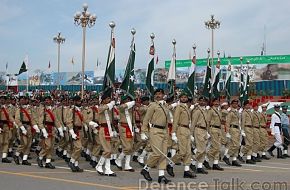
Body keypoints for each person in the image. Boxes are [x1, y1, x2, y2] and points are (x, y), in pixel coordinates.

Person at [140, 88, 170, 184]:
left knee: (163, 153)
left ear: (163, 95)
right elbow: (146, 119)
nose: (158, 95)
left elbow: (167, 120)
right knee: (157, 153)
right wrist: (143, 132)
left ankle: (161, 175)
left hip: (164, 131)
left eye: (160, 94)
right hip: (155, 130)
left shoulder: (165, 105)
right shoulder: (152, 105)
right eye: (156, 94)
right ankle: (146, 169)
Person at [166, 92, 196, 178]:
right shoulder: (179, 107)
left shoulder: (187, 107)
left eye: (185, 97)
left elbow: (189, 121)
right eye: (182, 97)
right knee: (182, 151)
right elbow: (175, 120)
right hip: (181, 129)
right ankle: (170, 165)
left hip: (187, 130)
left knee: (188, 152)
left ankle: (186, 171)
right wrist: (173, 133)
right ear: (179, 98)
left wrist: (190, 133)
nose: (184, 98)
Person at [37, 96, 63, 169]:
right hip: (46, 128)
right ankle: (40, 157)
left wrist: (59, 129)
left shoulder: (53, 109)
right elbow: (40, 121)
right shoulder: (42, 109)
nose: (47, 101)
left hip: (52, 129)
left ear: (51, 101)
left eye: (48, 100)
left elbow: (56, 120)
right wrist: (43, 131)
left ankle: (48, 162)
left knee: (51, 147)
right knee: (47, 146)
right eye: (45, 100)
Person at [95, 91, 117, 177]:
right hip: (103, 129)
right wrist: (111, 104)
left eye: (109, 99)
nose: (109, 100)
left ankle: (108, 169)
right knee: (107, 150)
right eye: (107, 99)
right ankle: (99, 165)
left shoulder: (109, 108)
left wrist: (114, 130)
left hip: (109, 129)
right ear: (103, 100)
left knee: (109, 150)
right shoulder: (100, 107)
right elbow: (103, 109)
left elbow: (113, 119)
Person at [14, 96, 39, 165]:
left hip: (29, 127)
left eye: (23, 100)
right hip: (22, 127)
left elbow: (32, 119)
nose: (22, 101)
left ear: (26, 101)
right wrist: (22, 128)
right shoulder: (19, 109)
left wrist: (35, 127)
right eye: (21, 100)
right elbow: (17, 120)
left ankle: (24, 159)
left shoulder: (29, 109)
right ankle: (16, 154)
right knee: (24, 143)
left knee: (28, 144)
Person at [115, 95, 136, 172]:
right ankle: (118, 159)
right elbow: (122, 107)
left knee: (130, 147)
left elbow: (132, 119)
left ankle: (127, 165)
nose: (128, 101)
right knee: (127, 147)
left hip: (130, 128)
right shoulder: (121, 107)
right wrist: (131, 102)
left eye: (129, 100)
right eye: (126, 100)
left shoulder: (131, 109)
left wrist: (136, 127)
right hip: (123, 127)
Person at [191, 96, 210, 174]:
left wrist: (207, 132)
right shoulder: (197, 111)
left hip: (204, 130)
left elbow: (207, 122)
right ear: (198, 101)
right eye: (201, 100)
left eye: (204, 101)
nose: (202, 102)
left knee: (204, 150)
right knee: (200, 149)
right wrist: (191, 134)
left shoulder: (206, 110)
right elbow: (193, 123)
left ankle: (199, 166)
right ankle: (191, 162)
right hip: (198, 129)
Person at [223, 99, 242, 167]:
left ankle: (234, 159)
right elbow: (227, 122)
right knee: (235, 145)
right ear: (231, 104)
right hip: (232, 129)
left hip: (237, 129)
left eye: (236, 104)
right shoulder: (230, 112)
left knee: (237, 145)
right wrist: (227, 132)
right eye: (234, 104)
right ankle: (227, 156)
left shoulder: (237, 112)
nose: (236, 105)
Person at [206, 97, 224, 170]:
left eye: (218, 102)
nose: (217, 103)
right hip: (213, 129)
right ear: (212, 102)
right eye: (215, 102)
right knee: (216, 147)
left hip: (219, 129)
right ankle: (206, 158)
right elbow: (208, 121)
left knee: (218, 147)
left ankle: (215, 163)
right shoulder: (211, 110)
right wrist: (207, 131)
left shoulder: (219, 111)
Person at [0, 95, 15, 163]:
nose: (2, 101)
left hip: (6, 125)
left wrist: (14, 122)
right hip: (0, 125)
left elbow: (9, 116)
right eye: (1, 99)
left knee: (6, 142)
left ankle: (4, 157)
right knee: (0, 142)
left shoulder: (7, 108)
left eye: (3, 100)